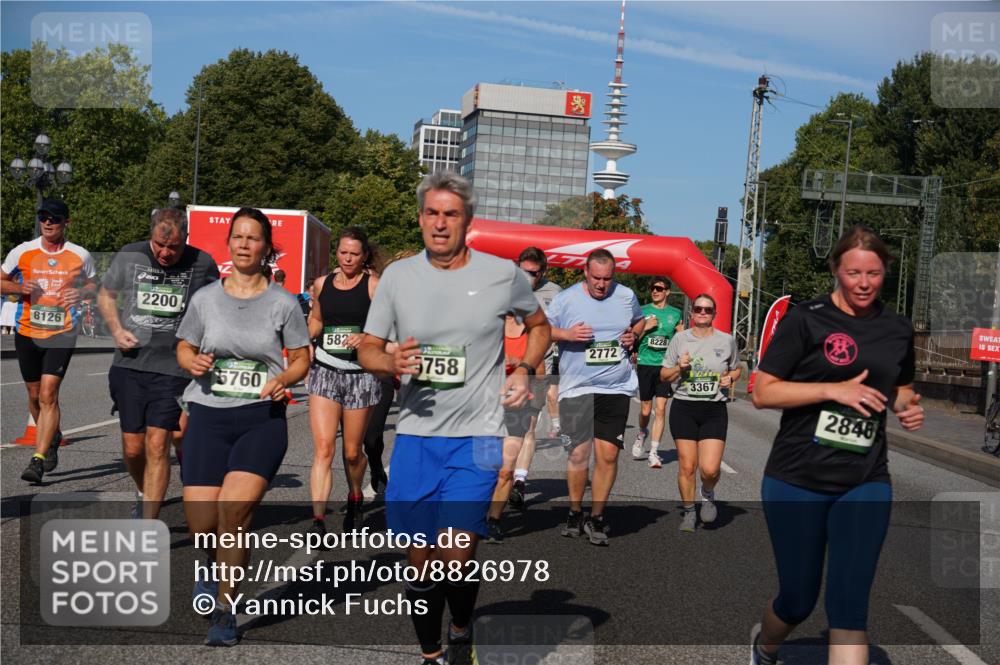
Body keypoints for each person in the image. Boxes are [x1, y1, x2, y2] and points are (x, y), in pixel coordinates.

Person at [359, 172, 548, 665]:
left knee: (458, 553)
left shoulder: (501, 273)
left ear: (467, 221)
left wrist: (525, 368)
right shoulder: (399, 276)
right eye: (431, 213)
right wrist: (391, 362)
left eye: (451, 214)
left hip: (480, 435)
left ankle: (461, 628)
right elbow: (369, 350)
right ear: (420, 218)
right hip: (418, 437)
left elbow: (539, 326)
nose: (439, 223)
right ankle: (431, 653)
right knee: (420, 562)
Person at [748, 226, 924, 665]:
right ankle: (765, 646)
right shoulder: (806, 319)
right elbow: (764, 393)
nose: (864, 283)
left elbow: (898, 386)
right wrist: (832, 391)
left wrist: (905, 405)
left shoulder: (897, 329)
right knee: (798, 599)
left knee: (849, 608)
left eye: (874, 273)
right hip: (796, 478)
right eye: (853, 273)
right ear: (835, 270)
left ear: (885, 272)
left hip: (865, 481)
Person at [176, 207, 310, 646]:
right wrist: (190, 360)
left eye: (254, 238)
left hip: (259, 419)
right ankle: (209, 567)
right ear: (229, 243)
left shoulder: (284, 303)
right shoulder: (205, 298)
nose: (245, 244)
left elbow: (302, 358)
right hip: (208, 415)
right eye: (238, 237)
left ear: (267, 248)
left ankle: (226, 609)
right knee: (201, 522)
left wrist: (285, 379)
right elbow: (184, 345)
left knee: (233, 515)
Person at [98, 207, 219, 518]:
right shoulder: (129, 255)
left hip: (173, 364)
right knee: (133, 448)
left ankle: (148, 524)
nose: (165, 253)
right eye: (159, 245)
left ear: (186, 239)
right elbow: (106, 295)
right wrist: (117, 329)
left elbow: (215, 309)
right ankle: (145, 489)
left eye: (174, 247)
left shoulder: (203, 263)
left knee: (157, 443)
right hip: (130, 362)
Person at [547, 248, 644, 546]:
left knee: (609, 454)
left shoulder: (626, 296)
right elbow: (540, 330)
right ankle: (575, 511)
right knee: (578, 454)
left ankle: (597, 516)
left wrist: (634, 335)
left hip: (615, 387)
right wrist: (567, 335)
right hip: (576, 387)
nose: (602, 285)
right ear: (585, 274)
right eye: (596, 278)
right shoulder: (566, 299)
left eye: (607, 279)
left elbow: (639, 321)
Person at [1, 199, 97, 484]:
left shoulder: (79, 255)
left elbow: (93, 282)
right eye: (43, 217)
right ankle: (52, 434)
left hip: (62, 331)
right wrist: (19, 287)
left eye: (54, 218)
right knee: (33, 396)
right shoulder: (23, 251)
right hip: (28, 330)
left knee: (48, 394)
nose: (47, 222)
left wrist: (81, 293)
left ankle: (38, 459)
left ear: (67, 222)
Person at [307, 226, 383, 536]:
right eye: (343, 252)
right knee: (324, 448)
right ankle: (318, 521)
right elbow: (316, 320)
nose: (348, 258)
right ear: (336, 253)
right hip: (325, 370)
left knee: (352, 452)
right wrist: (304, 340)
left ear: (364, 256)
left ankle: (355, 496)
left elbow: (390, 325)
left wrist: (366, 336)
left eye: (354, 253)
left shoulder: (374, 286)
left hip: (360, 375)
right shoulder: (322, 284)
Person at [660, 293, 740, 532]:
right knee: (687, 466)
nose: (703, 313)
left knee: (710, 469)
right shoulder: (680, 339)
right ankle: (689, 511)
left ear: (714, 314)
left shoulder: (727, 340)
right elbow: (664, 376)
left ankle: (707, 493)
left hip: (714, 409)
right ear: (692, 313)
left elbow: (735, 369)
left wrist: (729, 378)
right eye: (698, 309)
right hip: (684, 407)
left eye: (707, 310)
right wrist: (679, 367)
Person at [509, 246, 561, 510]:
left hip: (539, 365)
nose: (527, 276)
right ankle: (500, 477)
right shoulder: (504, 286)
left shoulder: (555, 294)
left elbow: (563, 328)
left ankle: (519, 481)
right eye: (523, 270)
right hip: (505, 366)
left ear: (543, 272)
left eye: (533, 273)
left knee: (529, 426)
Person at [486, 313, 545, 543]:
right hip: (484, 403)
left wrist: (520, 367)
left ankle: (494, 521)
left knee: (506, 468)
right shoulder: (487, 325)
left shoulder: (532, 332)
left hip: (518, 404)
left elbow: (539, 372)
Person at [631, 277, 684, 468]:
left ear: (667, 292)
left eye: (659, 289)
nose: (655, 291)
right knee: (646, 409)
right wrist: (645, 327)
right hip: (645, 363)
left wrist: (681, 333)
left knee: (660, 409)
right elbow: (633, 338)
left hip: (665, 366)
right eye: (653, 288)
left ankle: (654, 452)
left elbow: (680, 339)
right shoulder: (642, 311)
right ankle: (642, 432)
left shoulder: (675, 313)